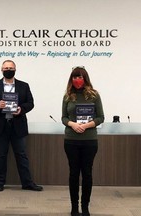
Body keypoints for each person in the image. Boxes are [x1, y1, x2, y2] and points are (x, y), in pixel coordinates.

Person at [0, 59, 43, 192]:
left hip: (17, 125)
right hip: (1, 126)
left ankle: (27, 183)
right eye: (6, 68)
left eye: (11, 68)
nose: (8, 70)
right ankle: (0, 183)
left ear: (15, 69)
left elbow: (30, 103)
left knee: (21, 155)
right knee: (1, 155)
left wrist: (21, 109)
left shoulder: (24, 85)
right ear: (1, 70)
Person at [61, 66, 104, 216]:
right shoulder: (67, 96)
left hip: (89, 140)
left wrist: (86, 125)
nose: (77, 80)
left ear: (85, 78)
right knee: (73, 173)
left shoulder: (94, 95)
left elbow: (100, 117)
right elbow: (64, 118)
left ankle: (85, 207)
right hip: (71, 140)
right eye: (74, 77)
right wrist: (72, 124)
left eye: (79, 77)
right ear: (71, 79)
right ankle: (74, 207)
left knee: (87, 173)